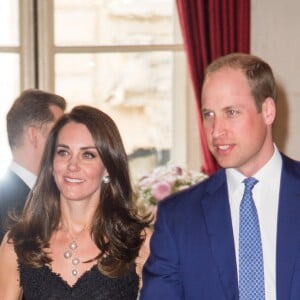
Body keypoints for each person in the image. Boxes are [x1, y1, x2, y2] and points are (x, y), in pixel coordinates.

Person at [140, 53, 300, 300]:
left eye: (231, 112)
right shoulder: (178, 217)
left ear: (267, 111)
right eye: (208, 115)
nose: (216, 131)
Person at [0, 105, 151, 299]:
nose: (72, 165)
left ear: (108, 167)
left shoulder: (139, 243)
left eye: (88, 155)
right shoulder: (18, 242)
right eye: (63, 152)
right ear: (52, 163)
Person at [0, 88, 66, 242]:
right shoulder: (8, 206)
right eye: (59, 131)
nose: (65, 141)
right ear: (33, 135)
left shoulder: (52, 194)